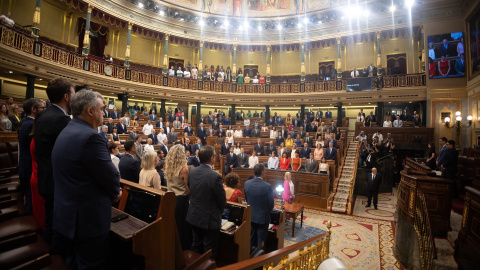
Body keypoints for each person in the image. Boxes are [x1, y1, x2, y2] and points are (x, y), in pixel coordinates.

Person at [51, 90, 121, 269]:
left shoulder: (66, 130)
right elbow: (111, 176)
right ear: (90, 111)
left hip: (67, 217)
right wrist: (116, 193)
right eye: (102, 108)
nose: (104, 113)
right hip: (87, 223)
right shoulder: (91, 137)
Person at [35, 78, 75, 245]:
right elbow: (69, 154)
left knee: (51, 223)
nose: (75, 96)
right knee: (59, 229)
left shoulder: (43, 114)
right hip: (57, 183)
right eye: (73, 93)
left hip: (46, 178)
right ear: (66, 97)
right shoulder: (60, 120)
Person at [186, 146, 226, 258]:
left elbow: (191, 190)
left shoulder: (192, 171)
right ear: (211, 158)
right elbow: (222, 201)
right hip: (209, 220)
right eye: (214, 155)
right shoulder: (215, 176)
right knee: (209, 251)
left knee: (195, 247)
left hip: (194, 216)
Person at [18, 98, 45, 216]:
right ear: (33, 109)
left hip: (26, 165)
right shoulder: (30, 125)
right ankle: (30, 228)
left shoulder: (26, 122)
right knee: (30, 202)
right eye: (42, 108)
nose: (45, 110)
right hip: (29, 166)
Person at [164, 145, 192, 250]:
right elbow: (187, 189)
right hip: (181, 200)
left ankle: (174, 247)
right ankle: (184, 249)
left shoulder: (168, 167)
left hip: (170, 198)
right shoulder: (184, 169)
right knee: (183, 227)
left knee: (175, 225)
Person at [244, 164, 274, 252]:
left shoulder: (247, 183)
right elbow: (271, 205)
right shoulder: (267, 186)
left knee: (250, 241)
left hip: (251, 217)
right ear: (262, 172)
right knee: (261, 244)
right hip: (262, 219)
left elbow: (247, 199)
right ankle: (259, 264)